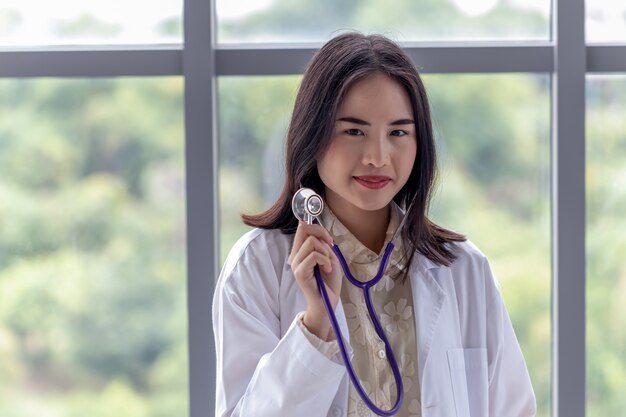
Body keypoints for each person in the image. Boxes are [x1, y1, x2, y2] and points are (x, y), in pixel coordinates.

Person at [212, 32, 536, 417]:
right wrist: (317, 323)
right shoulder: (257, 267)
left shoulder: (465, 269)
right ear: (311, 134)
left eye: (398, 132)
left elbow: (513, 408)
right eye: (354, 131)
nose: (378, 157)